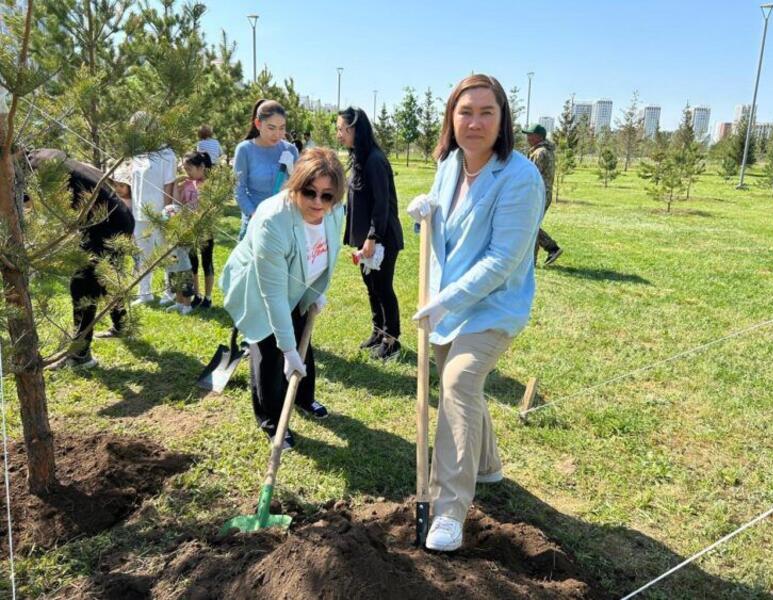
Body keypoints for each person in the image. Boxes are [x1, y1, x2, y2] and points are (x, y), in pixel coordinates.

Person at [407, 75, 545, 551]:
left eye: (487, 112)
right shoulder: (449, 164)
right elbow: (445, 219)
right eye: (466, 112)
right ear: (452, 118)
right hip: (447, 305)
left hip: (492, 307)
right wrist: (428, 209)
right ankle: (487, 466)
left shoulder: (521, 178)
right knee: (458, 382)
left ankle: (448, 510)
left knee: (459, 382)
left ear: (503, 119)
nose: (476, 122)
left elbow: (502, 259)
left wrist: (448, 300)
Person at [220, 147, 346, 450]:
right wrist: (288, 351)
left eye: (327, 196)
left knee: (303, 333)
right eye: (310, 192)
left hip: (300, 284)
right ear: (296, 184)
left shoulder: (334, 211)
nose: (318, 202)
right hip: (258, 287)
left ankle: (303, 398)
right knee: (270, 349)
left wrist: (318, 291)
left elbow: (328, 252)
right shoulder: (273, 220)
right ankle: (272, 419)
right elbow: (273, 294)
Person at [28, 149, 135, 368]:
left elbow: (28, 205)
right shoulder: (46, 153)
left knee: (82, 285)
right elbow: (90, 169)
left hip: (104, 224)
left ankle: (80, 355)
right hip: (119, 215)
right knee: (105, 276)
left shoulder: (34, 168)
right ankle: (121, 324)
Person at [336, 106, 404, 360]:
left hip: (382, 239)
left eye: (342, 129)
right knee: (371, 286)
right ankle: (378, 331)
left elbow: (381, 204)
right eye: (338, 130)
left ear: (355, 129)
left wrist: (372, 238)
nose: (339, 135)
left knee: (383, 287)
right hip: (367, 240)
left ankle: (392, 339)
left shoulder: (375, 159)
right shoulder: (360, 157)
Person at [128, 111, 177, 306]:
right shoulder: (137, 152)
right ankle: (145, 292)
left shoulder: (167, 153)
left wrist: (166, 212)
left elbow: (169, 183)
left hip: (159, 211)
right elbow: (133, 182)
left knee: (164, 251)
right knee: (142, 252)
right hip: (139, 212)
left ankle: (170, 292)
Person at [233, 99, 299, 240]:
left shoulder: (290, 150)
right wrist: (255, 215)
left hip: (283, 221)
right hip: (254, 221)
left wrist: (293, 172)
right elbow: (239, 189)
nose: (277, 134)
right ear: (258, 124)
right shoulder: (245, 150)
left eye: (282, 128)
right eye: (271, 128)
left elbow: (299, 187)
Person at [179, 150, 215, 309]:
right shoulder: (187, 183)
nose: (187, 173)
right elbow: (182, 202)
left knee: (206, 262)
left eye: (189, 169)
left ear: (201, 167)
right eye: (185, 169)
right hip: (190, 229)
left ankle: (208, 297)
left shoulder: (210, 184)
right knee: (193, 263)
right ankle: (197, 294)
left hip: (206, 230)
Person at [523, 123, 562, 267]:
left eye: (530, 135)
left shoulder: (539, 153)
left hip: (537, 194)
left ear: (538, 137)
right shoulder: (545, 151)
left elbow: (530, 175)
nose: (527, 137)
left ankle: (551, 248)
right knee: (530, 224)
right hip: (542, 193)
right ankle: (534, 258)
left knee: (529, 224)